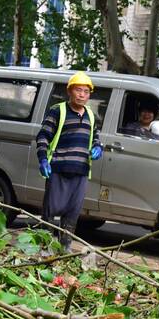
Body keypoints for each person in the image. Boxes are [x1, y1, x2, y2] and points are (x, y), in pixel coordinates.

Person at [35, 71, 102, 252]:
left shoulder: (91, 115)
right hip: (58, 168)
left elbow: (96, 137)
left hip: (81, 170)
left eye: (86, 92)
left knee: (72, 213)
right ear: (69, 91)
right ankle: (45, 249)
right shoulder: (58, 111)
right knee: (50, 211)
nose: (82, 94)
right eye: (78, 90)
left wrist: (98, 147)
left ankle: (65, 249)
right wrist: (43, 159)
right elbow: (43, 136)